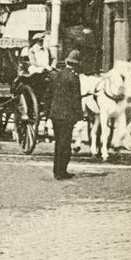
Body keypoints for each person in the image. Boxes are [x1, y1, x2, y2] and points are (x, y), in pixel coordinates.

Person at [47, 50, 82, 180]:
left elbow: (49, 94)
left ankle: (56, 170)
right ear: (76, 64)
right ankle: (62, 171)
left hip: (56, 114)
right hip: (67, 116)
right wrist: (79, 116)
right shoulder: (74, 77)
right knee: (65, 144)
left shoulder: (58, 75)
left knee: (58, 143)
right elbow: (76, 98)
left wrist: (49, 112)